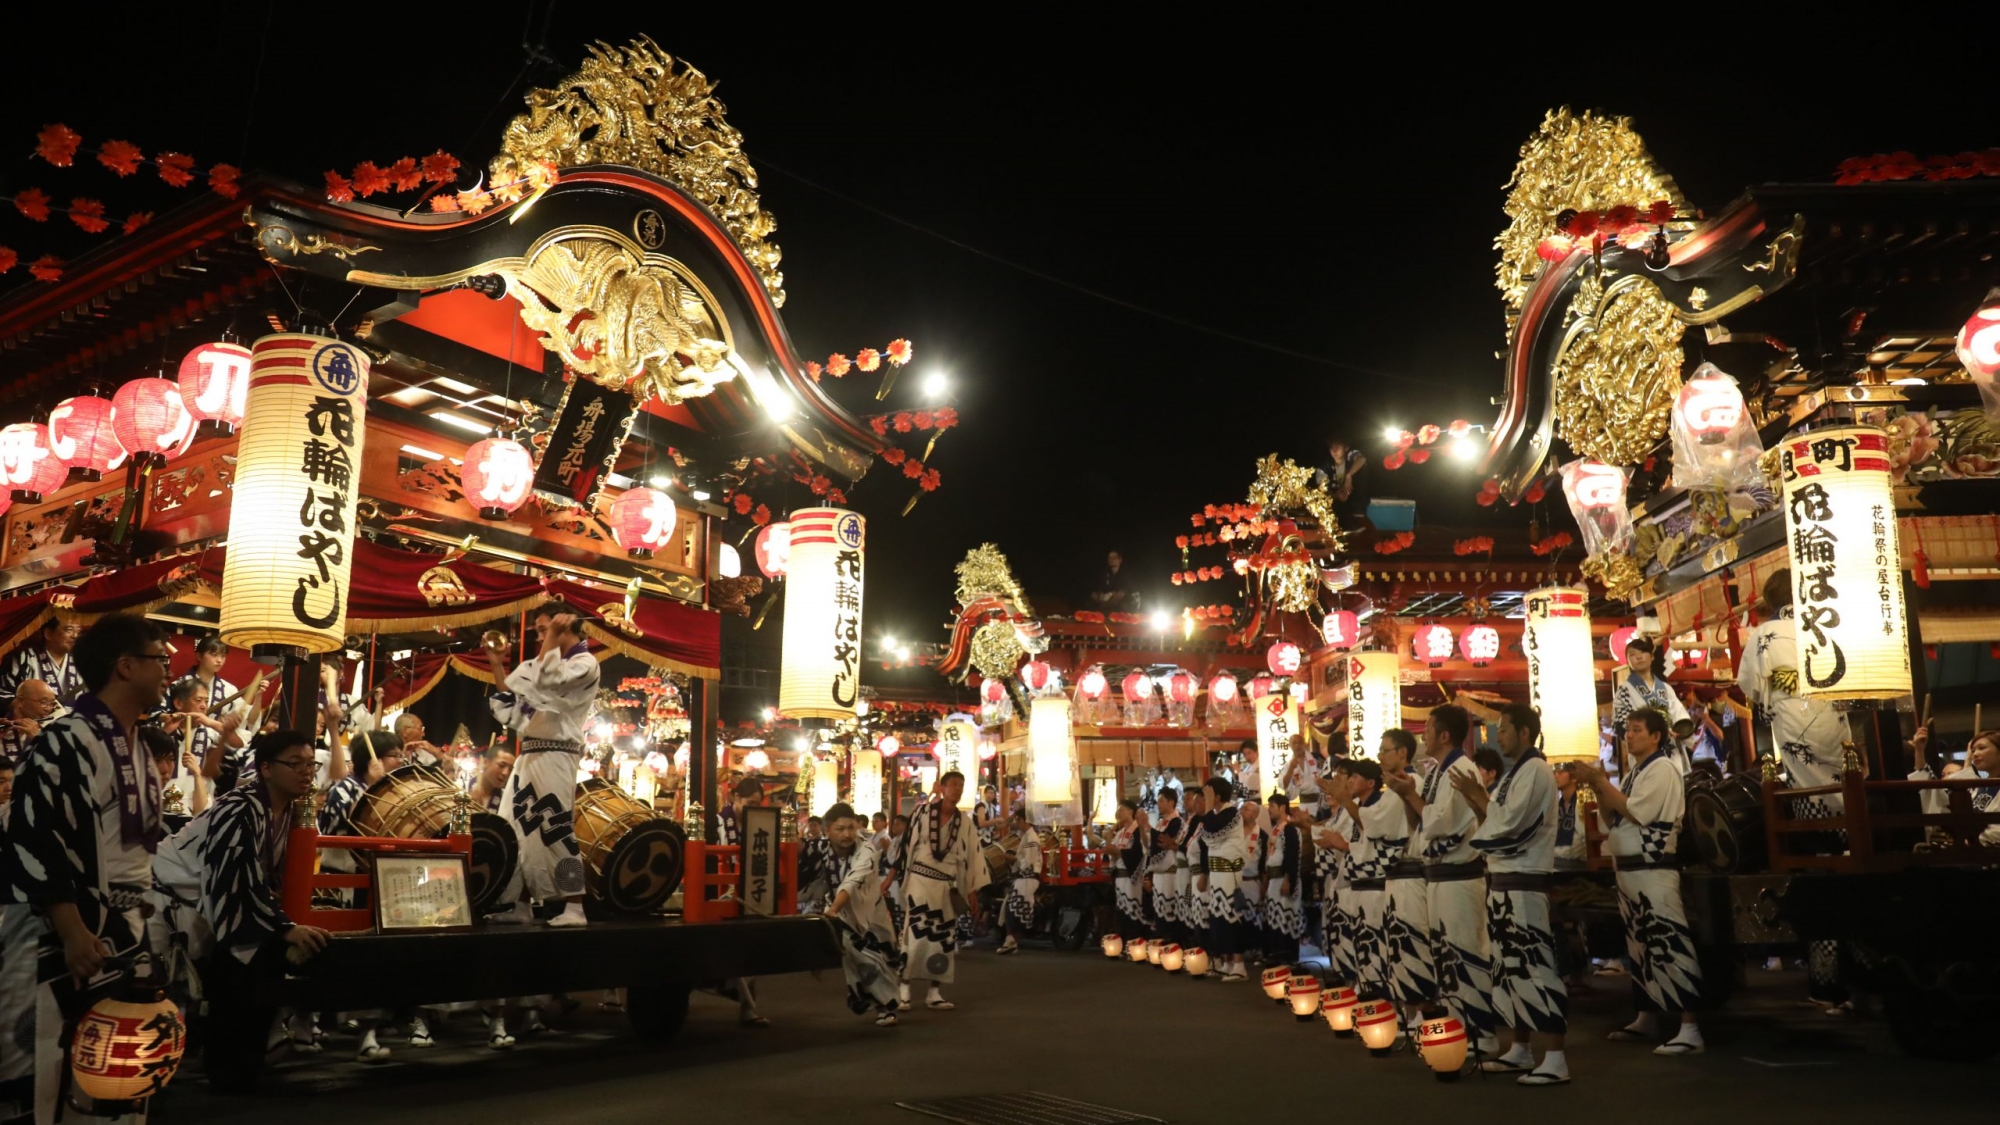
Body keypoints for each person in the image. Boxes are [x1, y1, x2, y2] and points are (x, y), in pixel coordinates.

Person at [1, 614, 172, 1124]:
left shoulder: (141, 746)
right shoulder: (63, 740)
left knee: (121, 1075)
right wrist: (72, 929)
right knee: (50, 1071)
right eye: (160, 659)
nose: (168, 670)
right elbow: (36, 837)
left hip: (127, 927)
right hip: (65, 932)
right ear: (125, 667)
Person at [1736, 567, 1853, 1006]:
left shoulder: (1765, 633)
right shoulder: (1826, 623)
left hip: (1794, 726)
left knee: (1819, 872)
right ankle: (1861, 978)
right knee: (1847, 853)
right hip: (1833, 719)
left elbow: (1750, 686)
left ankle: (1827, 985)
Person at [195, 729, 334, 1090]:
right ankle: (228, 1076)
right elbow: (236, 875)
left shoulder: (287, 812)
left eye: (311, 764)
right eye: (296, 764)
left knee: (258, 978)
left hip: (235, 907)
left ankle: (246, 1067)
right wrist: (284, 925)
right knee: (234, 982)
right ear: (266, 768)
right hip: (192, 904)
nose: (307, 772)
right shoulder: (238, 805)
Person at [1575, 708, 1706, 1057]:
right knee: (1641, 949)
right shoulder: (1636, 772)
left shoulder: (1663, 768)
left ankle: (1690, 1028)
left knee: (1669, 943)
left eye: (1636, 730)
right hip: (1631, 870)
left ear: (1656, 737)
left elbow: (1639, 813)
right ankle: (1647, 1017)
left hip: (1654, 868)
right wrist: (1598, 785)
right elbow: (1611, 817)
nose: (1628, 736)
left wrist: (1602, 782)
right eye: (1628, 730)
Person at [1462, 703, 1570, 1085]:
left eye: (1504, 728)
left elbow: (1509, 824)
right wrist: (1480, 800)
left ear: (1525, 732)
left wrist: (1478, 796)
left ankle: (1555, 1057)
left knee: (1535, 966)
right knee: (1509, 970)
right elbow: (1495, 820)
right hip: (1506, 883)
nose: (1498, 735)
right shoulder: (1516, 774)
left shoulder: (1536, 770)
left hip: (1525, 882)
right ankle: (1521, 1048)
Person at [1387, 703, 1499, 1060]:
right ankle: (1456, 1029)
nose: (1424, 733)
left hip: (1459, 877)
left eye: (1429, 727)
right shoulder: (1439, 770)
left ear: (1445, 734)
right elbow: (1423, 823)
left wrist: (1410, 795)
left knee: (1465, 954)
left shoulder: (1461, 769)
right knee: (1446, 956)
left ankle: (1482, 1034)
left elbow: (1442, 823)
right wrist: (1409, 796)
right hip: (1439, 878)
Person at [485, 603, 599, 927]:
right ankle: (521, 905)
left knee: (555, 826)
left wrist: (551, 638)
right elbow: (513, 700)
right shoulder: (543, 661)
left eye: (543, 628)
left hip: (557, 754)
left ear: (566, 626)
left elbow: (550, 682)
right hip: (530, 755)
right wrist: (497, 664)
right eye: (539, 631)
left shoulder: (585, 662)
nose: (541, 636)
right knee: (515, 827)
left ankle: (575, 906)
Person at [898, 770, 988, 1010]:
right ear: (942, 787)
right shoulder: (922, 813)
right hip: (920, 879)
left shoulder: (966, 823)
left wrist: (970, 890)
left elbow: (971, 858)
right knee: (916, 934)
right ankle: (904, 988)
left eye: (961, 785)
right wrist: (891, 878)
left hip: (947, 885)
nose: (957, 790)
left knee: (943, 937)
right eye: (954, 785)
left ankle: (934, 991)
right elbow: (907, 846)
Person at [1321, 762, 1398, 1007]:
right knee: (1362, 945)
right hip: (1356, 882)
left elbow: (1375, 838)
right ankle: (1367, 999)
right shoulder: (1360, 806)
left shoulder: (1377, 804)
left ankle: (1384, 1005)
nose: (1350, 781)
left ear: (1371, 783)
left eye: (1354, 777)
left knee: (1377, 947)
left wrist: (1342, 844)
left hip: (1375, 884)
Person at [820, 802, 903, 1026]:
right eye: (840, 829)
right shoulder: (821, 848)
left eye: (850, 828)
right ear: (827, 829)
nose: (847, 834)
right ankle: (882, 1005)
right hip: (843, 915)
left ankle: (887, 1005)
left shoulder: (866, 849)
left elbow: (852, 881)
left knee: (882, 960)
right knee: (859, 960)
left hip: (870, 913)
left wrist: (834, 909)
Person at [1375, 730, 1435, 1037]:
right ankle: (1407, 1010)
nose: (1380, 755)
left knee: (1413, 939)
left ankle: (1421, 1012)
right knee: (1397, 941)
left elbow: (1384, 827)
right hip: (1395, 876)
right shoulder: (1393, 788)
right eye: (1380, 750)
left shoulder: (1413, 784)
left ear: (1403, 753)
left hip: (1410, 872)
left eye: (1386, 750)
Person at [1193, 775, 1255, 981]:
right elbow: (1208, 836)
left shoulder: (1231, 813)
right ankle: (1228, 962)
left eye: (1208, 794)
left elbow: (1211, 831)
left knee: (1231, 917)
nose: (1204, 798)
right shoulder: (1219, 813)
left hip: (1229, 871)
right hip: (1217, 873)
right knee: (1219, 918)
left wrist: (1209, 807)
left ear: (1217, 795)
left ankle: (1239, 964)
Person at [1314, 760, 1359, 982]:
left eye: (1343, 774)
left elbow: (1345, 840)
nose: (1338, 778)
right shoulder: (1344, 809)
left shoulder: (1354, 807)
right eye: (1337, 773)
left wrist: (1338, 843)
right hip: (1337, 877)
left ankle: (1352, 981)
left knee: (1351, 933)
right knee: (1337, 930)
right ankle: (1343, 976)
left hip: (1352, 878)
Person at [1259, 792, 1306, 965]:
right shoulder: (1277, 829)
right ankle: (1277, 954)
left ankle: (1288, 957)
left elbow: (1292, 856)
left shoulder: (1290, 828)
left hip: (1283, 879)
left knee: (1285, 919)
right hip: (1273, 880)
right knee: (1274, 919)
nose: (1269, 810)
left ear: (1282, 808)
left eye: (1272, 806)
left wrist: (1288, 879)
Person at [1613, 637, 1688, 737]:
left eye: (1643, 652)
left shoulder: (1666, 688)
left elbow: (1680, 715)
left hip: (1671, 745)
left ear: (1652, 656)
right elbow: (1620, 724)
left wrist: (1682, 730)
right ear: (1627, 662)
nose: (1639, 657)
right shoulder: (1624, 690)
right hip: (1644, 747)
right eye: (1632, 654)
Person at [0, 618, 83, 707]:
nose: (75, 636)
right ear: (48, 634)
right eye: (69, 630)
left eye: (78, 631)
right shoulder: (25, 658)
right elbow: (3, 692)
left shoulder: (82, 660)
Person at [996, 810, 1041, 955]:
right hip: (1023, 879)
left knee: (1014, 909)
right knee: (1012, 909)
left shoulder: (1032, 837)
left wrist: (1011, 859)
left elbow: (1027, 862)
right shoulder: (1027, 836)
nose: (1017, 823)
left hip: (1027, 878)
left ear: (1024, 820)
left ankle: (1011, 940)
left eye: (1018, 820)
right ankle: (1011, 941)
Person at [1111, 799, 1150, 943]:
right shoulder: (1120, 832)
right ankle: (1123, 940)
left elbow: (1138, 853)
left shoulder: (1136, 831)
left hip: (1132, 875)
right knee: (1121, 910)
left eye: (1122, 810)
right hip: (1121, 875)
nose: (1118, 813)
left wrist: (1119, 852)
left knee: (1132, 909)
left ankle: (1135, 941)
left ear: (1130, 812)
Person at [1142, 789, 1177, 944]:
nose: (1159, 804)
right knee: (1159, 907)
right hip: (1159, 873)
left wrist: (1147, 826)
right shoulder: (1161, 822)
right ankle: (1162, 939)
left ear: (1171, 802)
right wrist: (1144, 828)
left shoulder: (1177, 821)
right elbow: (1150, 843)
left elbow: (1163, 841)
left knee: (1169, 906)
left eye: (1162, 800)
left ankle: (1171, 940)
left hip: (1170, 872)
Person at [0, 679, 58, 766]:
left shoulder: (52, 733)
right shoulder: (3, 724)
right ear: (21, 701)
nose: (48, 709)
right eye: (43, 702)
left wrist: (39, 740)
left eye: (52, 703)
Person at [1553, 764, 1586, 868]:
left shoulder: (1582, 804)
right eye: (1555, 772)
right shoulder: (1556, 806)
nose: (1555, 776)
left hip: (1579, 864)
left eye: (1561, 772)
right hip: (1557, 862)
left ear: (1574, 778)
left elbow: (1582, 843)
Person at [468, 743, 515, 813]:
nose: (505, 773)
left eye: (510, 769)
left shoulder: (507, 799)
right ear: (486, 762)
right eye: (501, 765)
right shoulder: (460, 786)